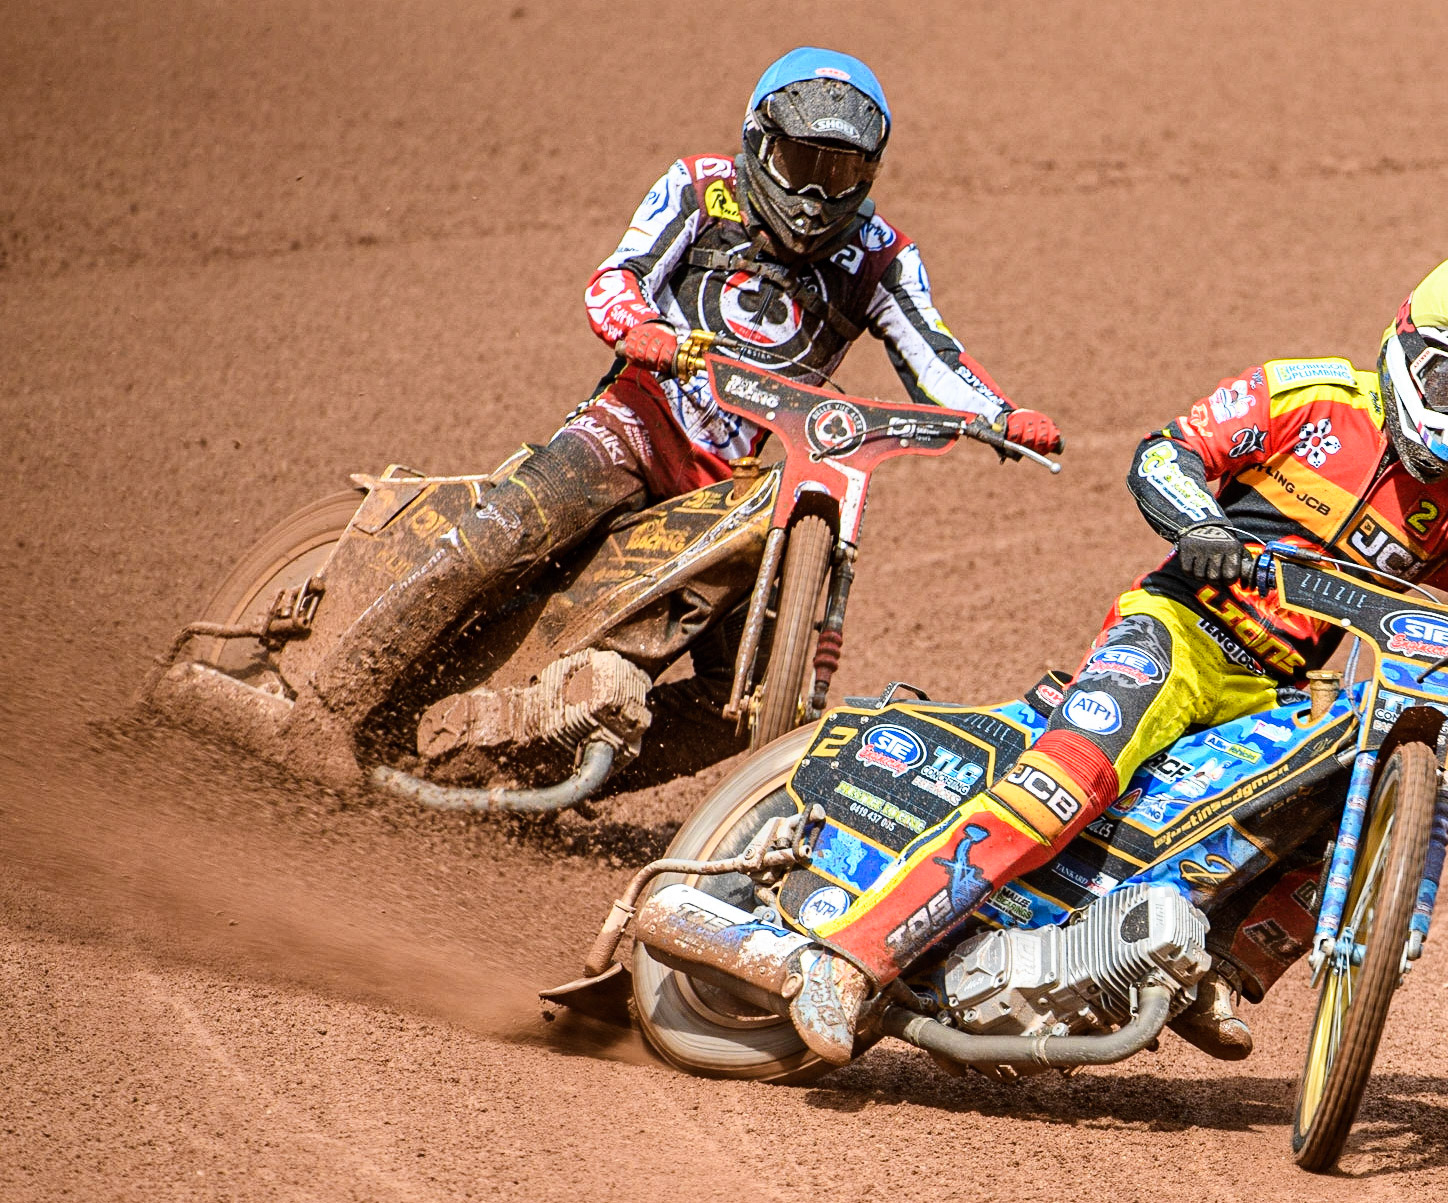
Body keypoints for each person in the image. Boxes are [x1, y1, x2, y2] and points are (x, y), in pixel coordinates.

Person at [785, 257, 1448, 1065]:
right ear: (1406, 349)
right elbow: (1167, 454)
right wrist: (1201, 527)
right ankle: (850, 957)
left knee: (1348, 790)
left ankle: (1214, 966)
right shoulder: (1307, 397)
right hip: (1175, 631)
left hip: (1277, 687)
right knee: (1067, 782)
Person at [280, 47, 1062, 781]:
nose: (818, 193)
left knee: (751, 705)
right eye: (802, 164)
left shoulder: (880, 254)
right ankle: (323, 711)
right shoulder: (700, 185)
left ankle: (537, 769)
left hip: (739, 486)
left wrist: (998, 415)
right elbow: (613, 279)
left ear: (870, 173)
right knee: (501, 534)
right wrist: (643, 333)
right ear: (760, 142)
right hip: (633, 424)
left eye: (842, 171)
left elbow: (935, 357)